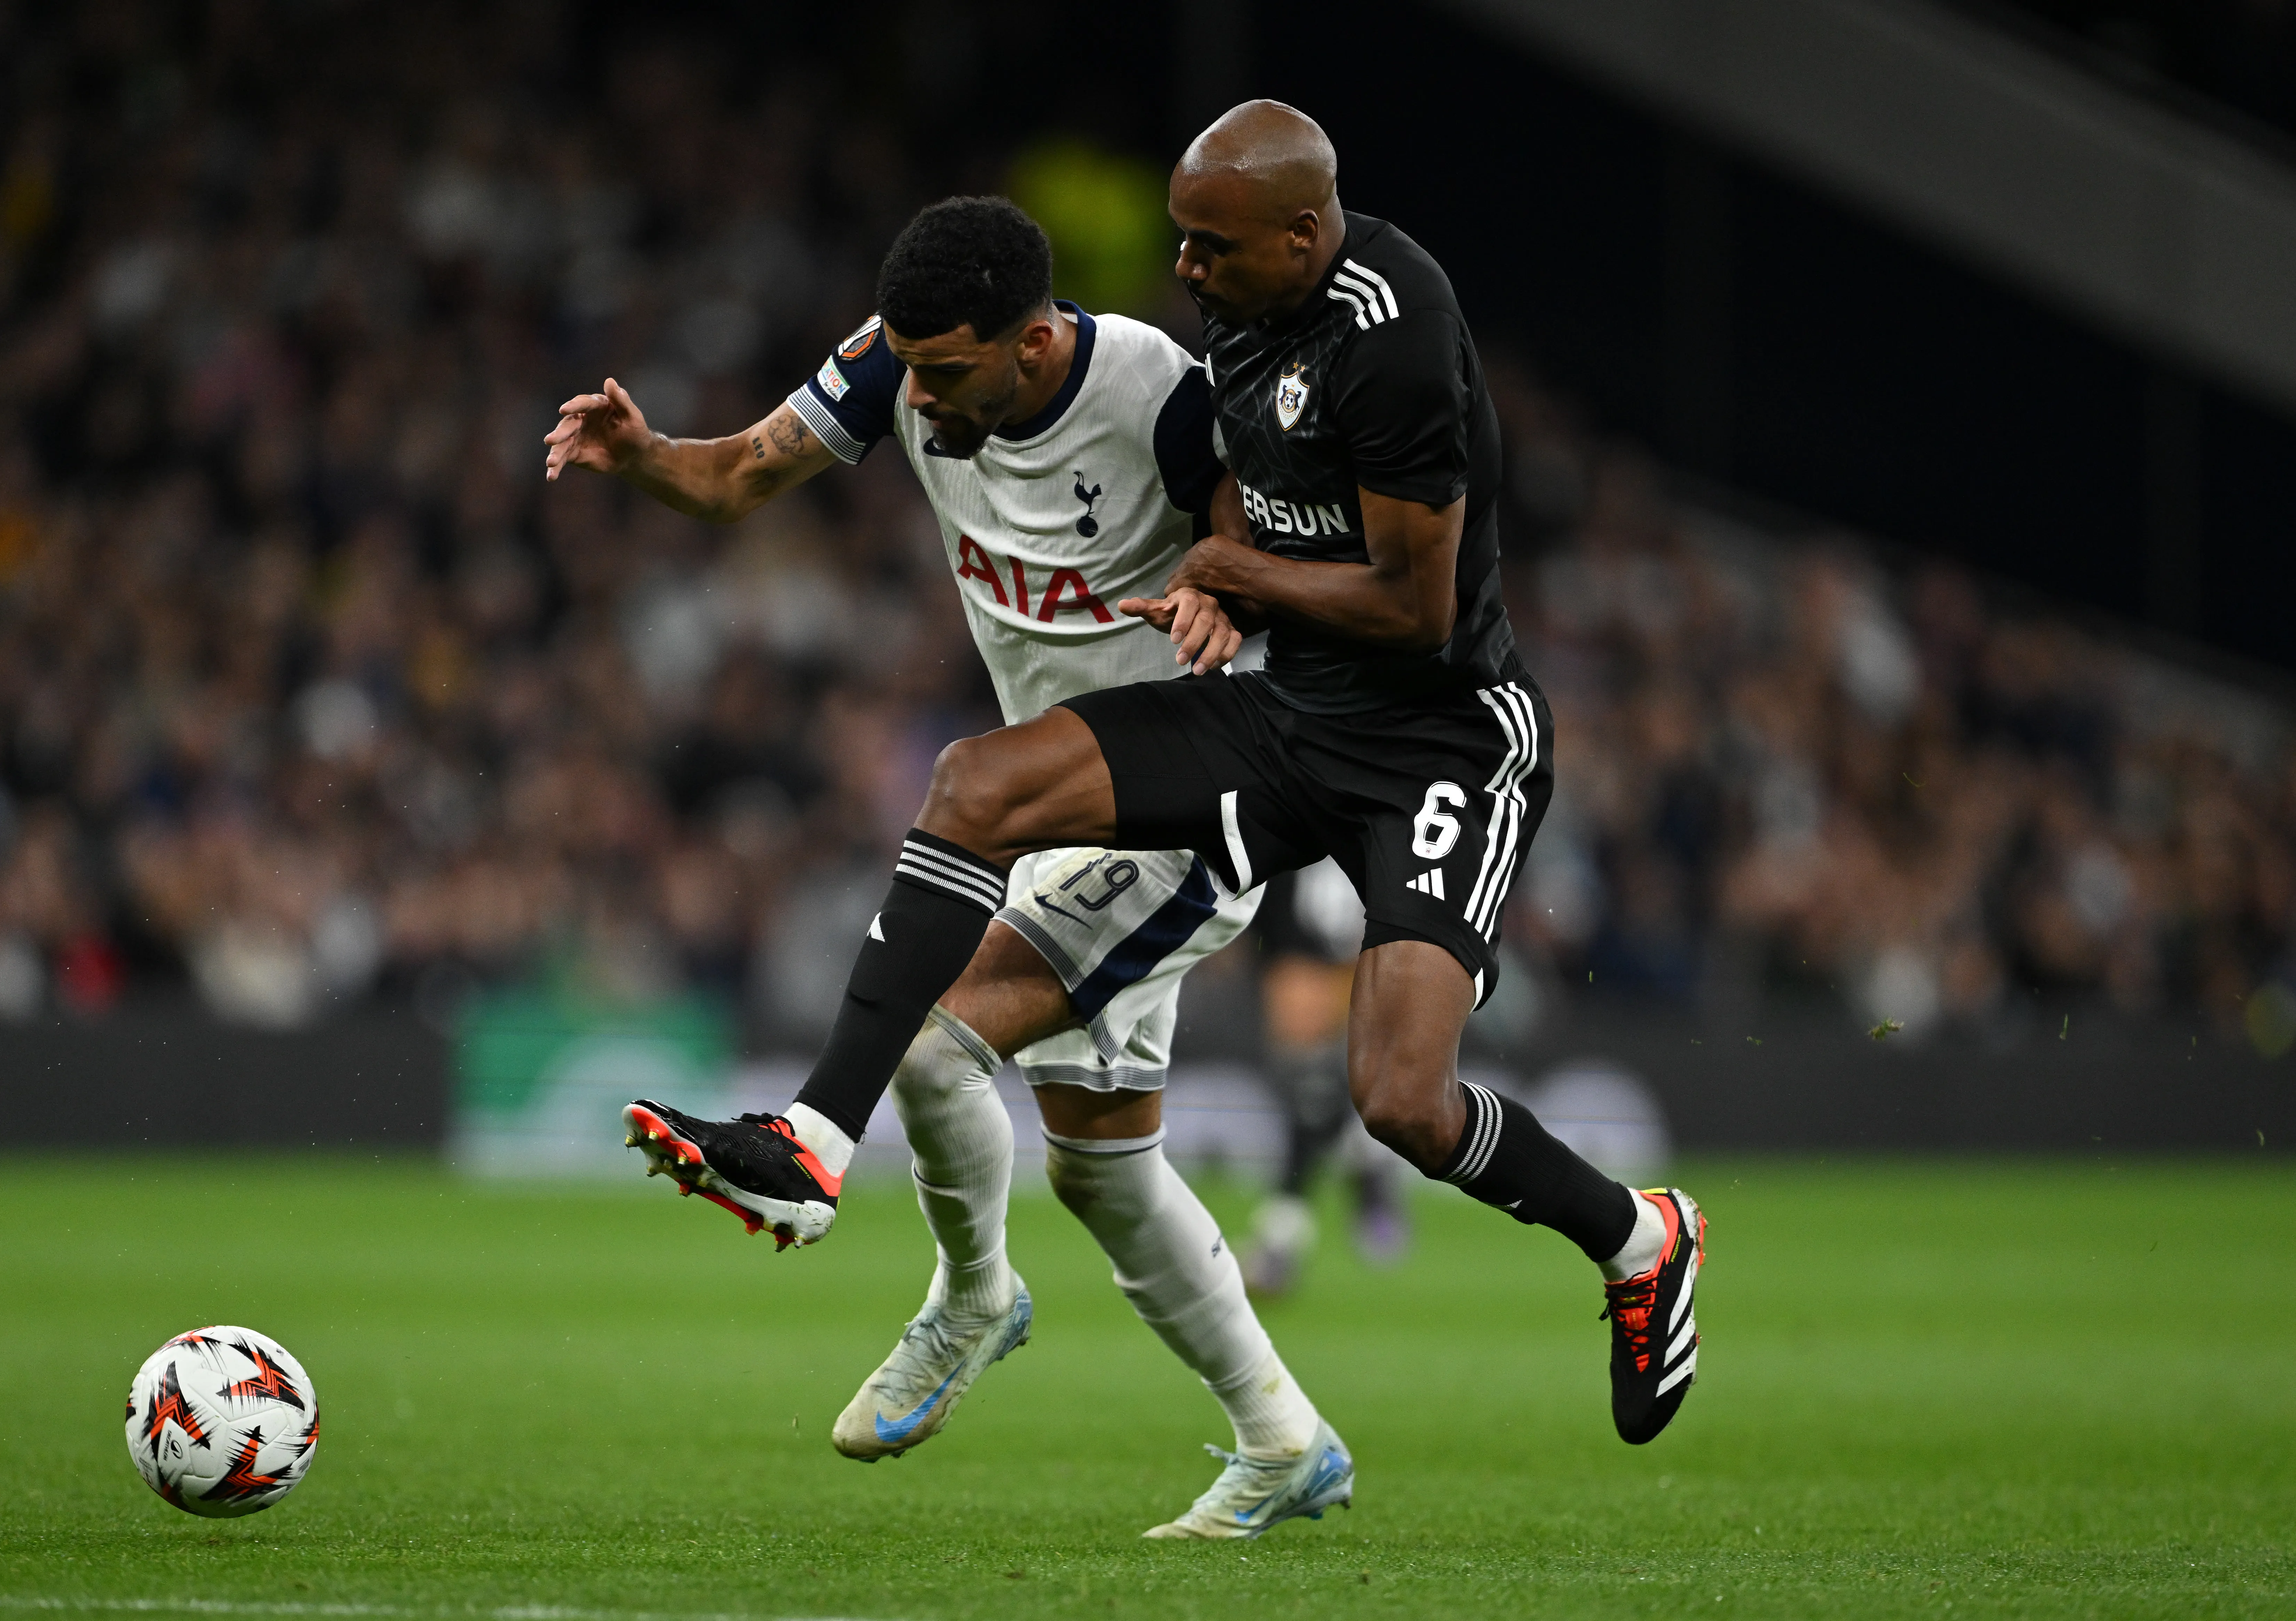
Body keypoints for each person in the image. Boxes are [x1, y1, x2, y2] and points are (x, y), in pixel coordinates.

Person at [624, 103, 1708, 1451]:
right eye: (1182, 243)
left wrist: (1227, 579)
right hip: (1284, 716)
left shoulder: (1395, 336)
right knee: (975, 792)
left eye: (1209, 245)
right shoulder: (1232, 331)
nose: (1181, 269)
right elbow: (1236, 509)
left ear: (1300, 235)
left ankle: (1636, 1231)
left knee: (1401, 1101)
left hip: (1437, 737)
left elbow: (1415, 612)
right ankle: (814, 1144)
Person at [543, 197, 1353, 1538]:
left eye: (945, 372)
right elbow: (741, 474)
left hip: (1187, 803)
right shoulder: (892, 361)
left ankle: (967, 1291)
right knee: (1099, 1163)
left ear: (1034, 346)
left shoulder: (1159, 396)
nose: (914, 397)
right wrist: (644, 458)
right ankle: (1284, 1440)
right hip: (1055, 809)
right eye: (905, 367)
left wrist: (1225, 580)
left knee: (931, 1036)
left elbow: (1255, 540)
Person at [1240, 858, 1408, 1297]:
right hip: (1303, 960)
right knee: (1320, 1097)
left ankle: (1280, 1240)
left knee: (1315, 1100)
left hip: (1341, 963)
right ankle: (1369, 1164)